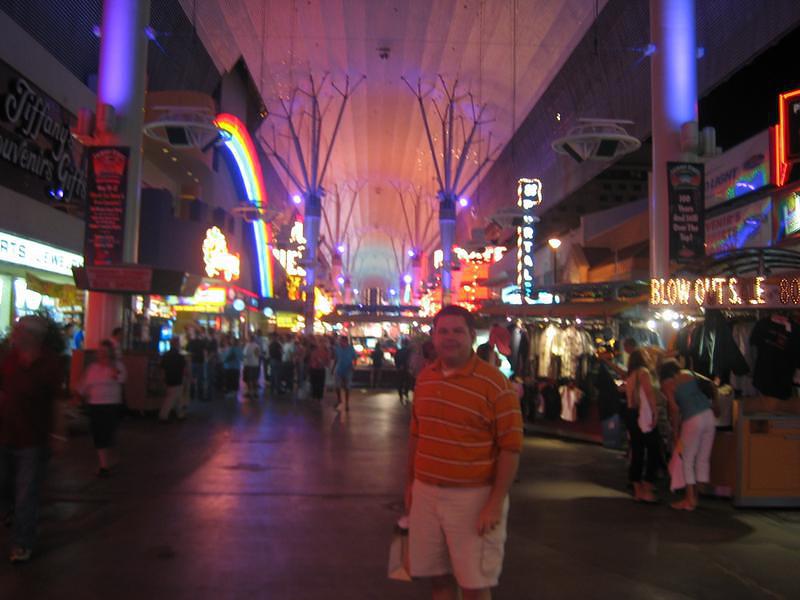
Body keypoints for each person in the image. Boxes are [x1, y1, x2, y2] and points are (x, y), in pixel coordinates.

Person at [405, 305, 523, 599]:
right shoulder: (426, 378)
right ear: (433, 337)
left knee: (474, 583)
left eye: (457, 331)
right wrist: (410, 484)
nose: (450, 337)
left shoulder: (495, 384)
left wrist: (494, 503)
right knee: (437, 577)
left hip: (473, 498)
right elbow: (417, 435)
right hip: (426, 493)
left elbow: (510, 448)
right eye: (443, 331)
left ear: (471, 335)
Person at [0, 316, 63, 563]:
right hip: (6, 432)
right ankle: (13, 515)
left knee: (26, 492)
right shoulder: (10, 359)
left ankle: (22, 542)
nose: (14, 334)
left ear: (32, 335)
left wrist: (58, 434)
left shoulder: (49, 363)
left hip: (33, 439)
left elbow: (57, 401)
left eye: (19, 330)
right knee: (6, 485)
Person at [659, 360, 718, 511]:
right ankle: (696, 496)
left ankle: (689, 499)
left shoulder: (667, 384)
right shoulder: (689, 373)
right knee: (702, 458)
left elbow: (674, 409)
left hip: (692, 420)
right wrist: (716, 405)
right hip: (709, 416)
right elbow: (712, 385)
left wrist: (675, 431)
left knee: (687, 459)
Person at [77, 340, 127, 477]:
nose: (102, 354)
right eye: (100, 351)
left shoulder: (117, 366)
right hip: (95, 404)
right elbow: (84, 384)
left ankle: (109, 458)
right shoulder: (92, 368)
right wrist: (79, 396)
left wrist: (110, 365)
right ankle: (104, 464)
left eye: (105, 351)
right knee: (99, 433)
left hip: (112, 404)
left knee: (108, 432)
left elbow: (120, 378)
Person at [624, 349, 662, 503]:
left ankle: (637, 489)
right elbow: (649, 393)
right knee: (654, 450)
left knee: (637, 451)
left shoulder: (630, 375)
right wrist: (655, 411)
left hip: (631, 414)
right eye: (646, 354)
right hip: (643, 414)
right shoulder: (643, 372)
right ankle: (647, 487)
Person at [159, 341, 187, 421]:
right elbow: (184, 369)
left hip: (169, 377)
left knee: (176, 396)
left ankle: (179, 414)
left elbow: (162, 367)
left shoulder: (166, 355)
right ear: (177, 345)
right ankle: (163, 416)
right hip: (178, 378)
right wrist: (187, 377)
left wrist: (162, 378)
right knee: (172, 398)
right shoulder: (180, 356)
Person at [333, 336, 357, 411]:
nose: (341, 343)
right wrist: (333, 368)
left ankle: (346, 403)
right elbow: (336, 358)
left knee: (347, 387)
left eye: (342, 341)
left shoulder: (351, 349)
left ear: (346, 342)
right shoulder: (337, 348)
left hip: (348, 369)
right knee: (337, 386)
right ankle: (339, 399)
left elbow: (355, 358)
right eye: (340, 341)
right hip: (339, 369)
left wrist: (354, 366)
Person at [186, 328, 207, 401]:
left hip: (193, 362)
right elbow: (205, 351)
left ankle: (191, 395)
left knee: (192, 379)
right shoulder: (202, 342)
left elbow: (186, 350)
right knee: (200, 379)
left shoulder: (191, 342)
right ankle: (200, 395)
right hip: (200, 362)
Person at [394, 338, 413, 404]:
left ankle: (400, 395)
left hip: (400, 369)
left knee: (400, 382)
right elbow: (411, 359)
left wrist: (398, 366)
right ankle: (406, 393)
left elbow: (395, 359)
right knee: (407, 381)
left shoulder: (399, 351)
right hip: (407, 369)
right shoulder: (409, 351)